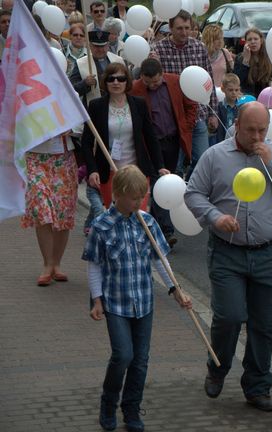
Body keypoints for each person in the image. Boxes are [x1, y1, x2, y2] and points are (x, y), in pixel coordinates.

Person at [184, 102, 272, 411]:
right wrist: (215, 217)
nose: (256, 136)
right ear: (236, 124)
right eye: (250, 129)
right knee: (229, 316)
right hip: (228, 251)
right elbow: (193, 193)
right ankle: (218, 366)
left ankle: (257, 385)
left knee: (264, 325)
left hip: (267, 252)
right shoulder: (215, 156)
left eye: (262, 130)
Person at [82, 165, 192, 432]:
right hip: (115, 302)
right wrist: (97, 299)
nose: (138, 202)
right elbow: (94, 264)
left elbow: (159, 259)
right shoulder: (101, 226)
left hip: (143, 301)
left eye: (142, 197)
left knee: (141, 359)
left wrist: (175, 289)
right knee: (123, 354)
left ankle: (131, 408)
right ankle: (108, 402)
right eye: (134, 197)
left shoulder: (148, 221)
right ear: (118, 194)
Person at [81, 63, 168, 209]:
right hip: (109, 173)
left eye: (121, 78)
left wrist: (160, 166)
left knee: (138, 216)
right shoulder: (96, 106)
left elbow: (150, 137)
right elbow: (87, 142)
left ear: (127, 81)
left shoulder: (139, 104)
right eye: (111, 79)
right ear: (105, 82)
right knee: (116, 216)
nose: (116, 82)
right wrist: (92, 170)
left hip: (137, 172)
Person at [130, 58, 198, 247]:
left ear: (162, 74)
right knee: (159, 181)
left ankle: (152, 226)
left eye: (156, 82)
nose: (152, 86)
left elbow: (191, 105)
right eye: (148, 83)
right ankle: (166, 231)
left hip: (173, 140)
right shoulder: (135, 88)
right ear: (141, 77)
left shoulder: (175, 82)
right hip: (150, 144)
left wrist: (187, 126)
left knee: (169, 180)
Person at [151, 9, 219, 180]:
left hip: (198, 113)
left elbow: (208, 80)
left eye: (187, 28)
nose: (184, 32)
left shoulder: (199, 47)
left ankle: (191, 185)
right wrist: (153, 64)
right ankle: (175, 189)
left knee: (202, 159)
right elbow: (151, 82)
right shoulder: (158, 50)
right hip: (172, 117)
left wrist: (213, 113)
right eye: (180, 28)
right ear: (171, 28)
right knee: (175, 164)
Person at [21, 133, 77, 286]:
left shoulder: (69, 106)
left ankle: (56, 263)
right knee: (41, 208)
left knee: (63, 210)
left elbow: (81, 120)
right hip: (35, 156)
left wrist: (70, 128)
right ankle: (47, 264)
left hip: (63, 156)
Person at [69, 29, 125, 106]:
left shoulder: (118, 60)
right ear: (90, 46)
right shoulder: (80, 63)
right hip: (94, 109)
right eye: (96, 46)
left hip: (117, 106)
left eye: (103, 46)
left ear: (108, 45)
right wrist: (85, 83)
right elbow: (71, 89)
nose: (100, 49)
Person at [233, 28, 272, 98]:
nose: (253, 42)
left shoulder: (269, 57)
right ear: (246, 42)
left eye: (256, 39)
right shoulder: (240, 58)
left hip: (267, 97)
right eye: (249, 40)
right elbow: (237, 81)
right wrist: (246, 61)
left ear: (261, 40)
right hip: (248, 97)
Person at [202, 24, 234, 88]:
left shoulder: (225, 53)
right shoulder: (201, 54)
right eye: (217, 39)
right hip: (205, 91)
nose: (220, 41)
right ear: (208, 39)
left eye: (221, 38)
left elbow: (232, 73)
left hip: (223, 92)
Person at [213, 73, 240, 145]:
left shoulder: (241, 107)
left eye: (236, 90)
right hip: (222, 141)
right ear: (223, 89)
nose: (234, 93)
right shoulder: (219, 107)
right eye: (230, 90)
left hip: (237, 141)